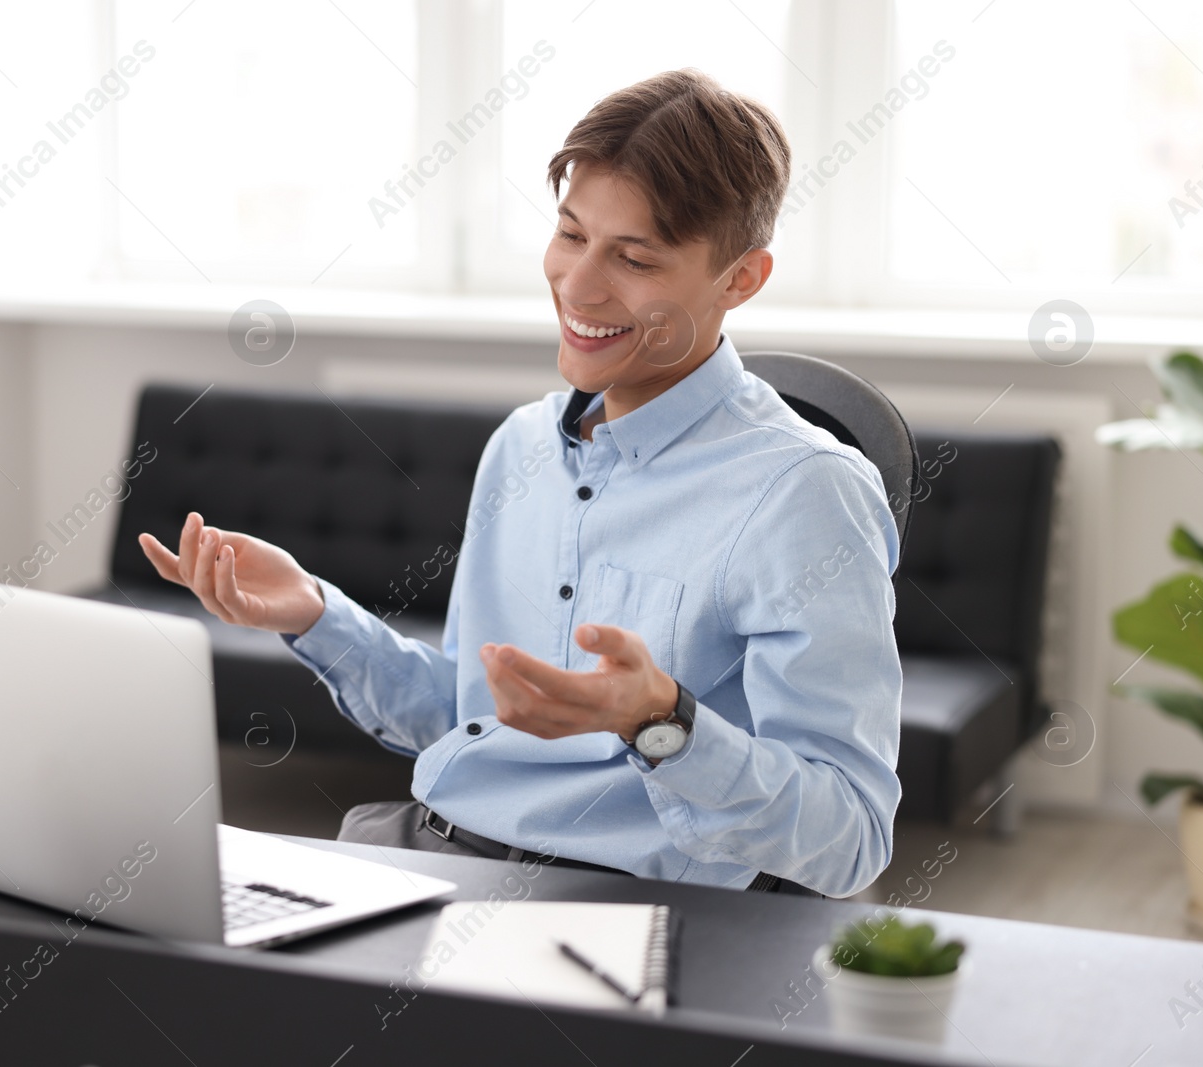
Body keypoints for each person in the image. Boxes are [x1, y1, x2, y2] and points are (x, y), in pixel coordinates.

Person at [139, 69, 901, 898]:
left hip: (612, 904)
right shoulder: (523, 447)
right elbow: (472, 717)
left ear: (741, 279)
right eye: (571, 235)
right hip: (423, 854)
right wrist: (315, 615)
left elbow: (850, 837)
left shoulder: (804, 493)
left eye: (634, 257)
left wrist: (659, 723)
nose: (577, 286)